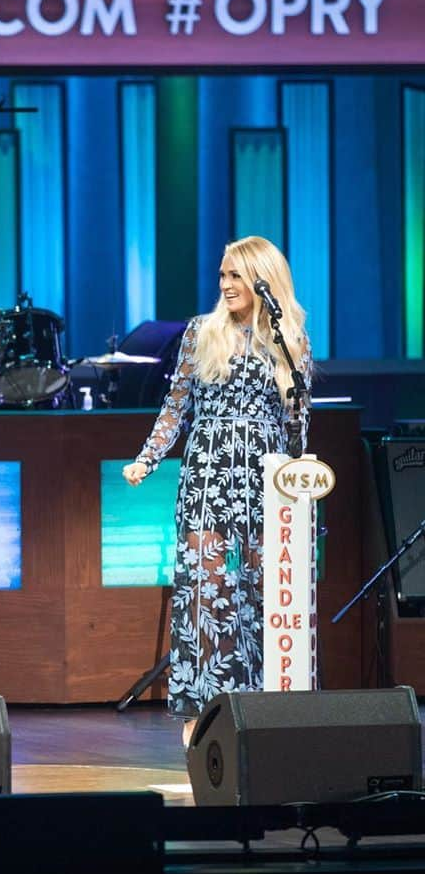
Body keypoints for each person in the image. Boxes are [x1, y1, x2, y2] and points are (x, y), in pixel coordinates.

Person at [121, 236, 312, 745]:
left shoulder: (290, 340)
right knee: (204, 592)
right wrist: (148, 458)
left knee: (259, 590)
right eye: (222, 275)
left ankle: (260, 709)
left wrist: (298, 475)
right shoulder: (201, 334)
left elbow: (297, 425)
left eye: (235, 275)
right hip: (209, 467)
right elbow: (175, 406)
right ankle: (199, 715)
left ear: (263, 279)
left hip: (265, 475)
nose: (225, 285)